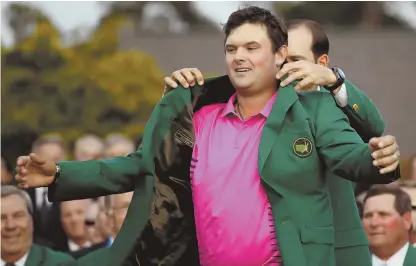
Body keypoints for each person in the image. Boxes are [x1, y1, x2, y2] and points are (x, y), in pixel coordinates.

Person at [14, 6, 401, 266]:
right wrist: (61, 174)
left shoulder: (312, 106)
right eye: (231, 48)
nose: (239, 57)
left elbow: (351, 156)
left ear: (280, 55)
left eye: (252, 47)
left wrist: (377, 159)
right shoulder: (197, 114)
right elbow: (142, 165)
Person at [162, 18, 393, 266]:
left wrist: (334, 81)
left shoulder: (330, 104)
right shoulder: (248, 112)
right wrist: (174, 101)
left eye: (294, 60)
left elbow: (373, 128)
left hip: (337, 249)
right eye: (281, 60)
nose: (284, 69)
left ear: (321, 64)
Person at [1, 185, 74, 266]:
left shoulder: (61, 264)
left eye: (18, 216)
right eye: (2, 218)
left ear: (31, 222)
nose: (10, 225)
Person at [362, 185, 416, 266]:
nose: (374, 223)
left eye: (383, 215)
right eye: (368, 216)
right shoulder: (346, 262)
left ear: (406, 220)